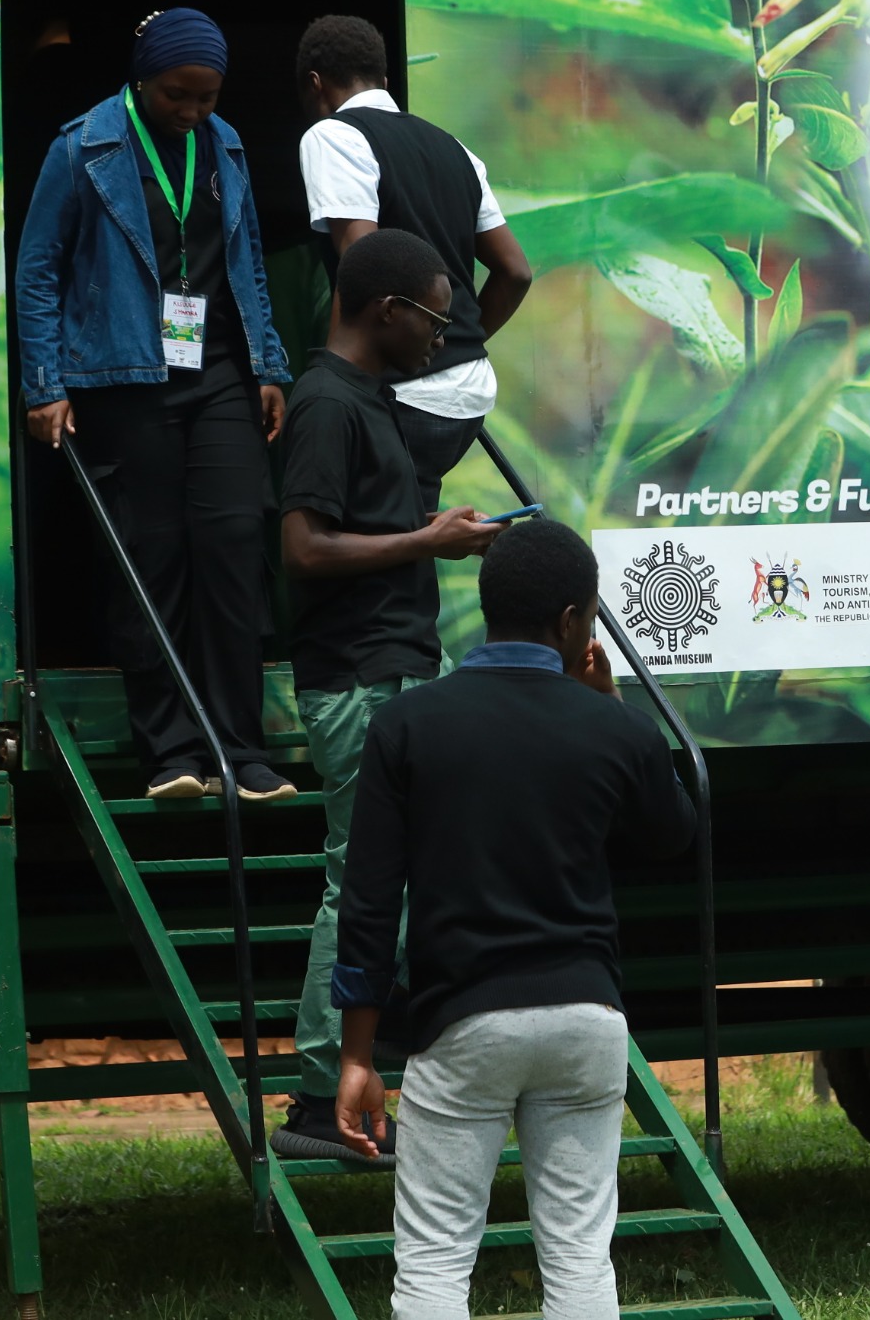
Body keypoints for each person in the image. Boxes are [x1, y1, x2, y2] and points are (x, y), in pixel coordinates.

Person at [333, 519, 697, 1320]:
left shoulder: (406, 726)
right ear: (572, 622)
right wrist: (617, 710)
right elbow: (674, 833)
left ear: (487, 602)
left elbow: (367, 899)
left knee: (433, 1261)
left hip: (463, 1023)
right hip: (587, 1021)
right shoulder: (610, 727)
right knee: (578, 1257)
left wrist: (357, 1052)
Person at [15, 6, 297, 802]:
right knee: (152, 559)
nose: (194, 110)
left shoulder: (226, 143)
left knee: (236, 545)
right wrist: (46, 384)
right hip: (121, 376)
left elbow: (246, 264)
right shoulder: (83, 146)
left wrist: (268, 365)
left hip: (219, 373)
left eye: (208, 96)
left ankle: (241, 752)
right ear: (142, 82)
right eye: (180, 94)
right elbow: (38, 269)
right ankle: (173, 752)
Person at [272, 227, 503, 1164]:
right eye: (434, 320)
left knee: (391, 884)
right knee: (358, 885)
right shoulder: (327, 403)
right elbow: (303, 548)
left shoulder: (371, 399)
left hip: (395, 665)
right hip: (358, 675)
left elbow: (363, 529)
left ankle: (355, 1081)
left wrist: (431, 529)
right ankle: (316, 1100)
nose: (441, 339)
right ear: (385, 311)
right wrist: (425, 544)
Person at [296, 15, 533, 507]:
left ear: (315, 84)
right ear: (385, 81)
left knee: (368, 546)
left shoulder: (333, 136)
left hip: (402, 393)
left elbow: (364, 263)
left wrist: (330, 387)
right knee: (410, 534)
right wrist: (450, 340)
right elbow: (515, 271)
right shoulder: (457, 149)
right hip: (469, 393)